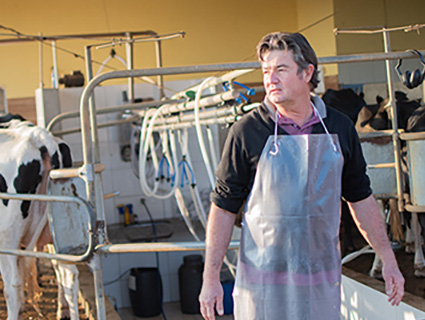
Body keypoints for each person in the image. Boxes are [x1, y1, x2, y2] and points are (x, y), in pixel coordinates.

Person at [198, 32, 405, 320]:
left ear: (307, 72)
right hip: (263, 281)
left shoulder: (339, 127)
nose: (270, 79)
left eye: (280, 70)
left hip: (320, 279)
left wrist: (388, 259)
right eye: (266, 71)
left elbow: (360, 198)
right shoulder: (246, 132)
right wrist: (211, 279)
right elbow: (223, 208)